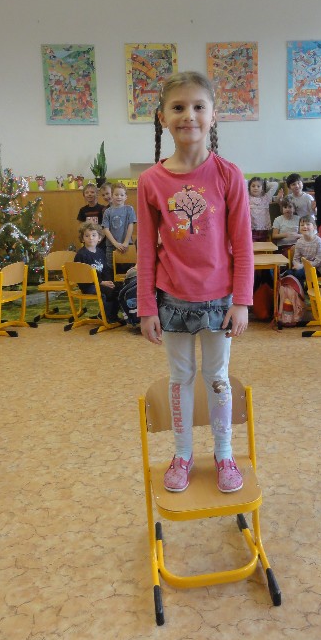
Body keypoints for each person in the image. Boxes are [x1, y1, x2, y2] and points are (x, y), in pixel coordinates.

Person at [137, 71, 253, 495]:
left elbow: (243, 244)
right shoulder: (151, 181)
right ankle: (183, 453)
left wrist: (242, 301)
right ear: (163, 117)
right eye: (178, 107)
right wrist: (147, 307)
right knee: (181, 376)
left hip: (220, 299)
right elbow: (146, 250)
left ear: (213, 116)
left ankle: (224, 453)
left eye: (198, 106)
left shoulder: (229, 174)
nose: (189, 115)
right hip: (172, 299)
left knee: (217, 375)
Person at [74, 222, 120, 322]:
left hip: (101, 283)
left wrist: (109, 281)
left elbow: (106, 269)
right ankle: (106, 317)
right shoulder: (81, 255)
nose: (91, 238)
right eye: (87, 236)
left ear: (99, 238)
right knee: (109, 292)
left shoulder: (100, 252)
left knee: (118, 288)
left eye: (94, 235)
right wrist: (101, 282)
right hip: (88, 285)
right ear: (82, 238)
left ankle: (111, 315)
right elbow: (83, 276)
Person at [102, 182, 136, 270]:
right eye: (116, 194)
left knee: (128, 268)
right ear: (112, 196)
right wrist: (115, 243)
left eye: (122, 195)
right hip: (111, 246)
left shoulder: (129, 209)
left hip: (127, 245)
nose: (119, 197)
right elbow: (106, 229)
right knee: (112, 269)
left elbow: (130, 225)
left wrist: (126, 242)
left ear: (126, 197)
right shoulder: (107, 212)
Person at [287, 214, 321, 283]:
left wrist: (302, 266)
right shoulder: (299, 241)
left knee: (298, 274)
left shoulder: (319, 242)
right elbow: (296, 258)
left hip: (315, 270)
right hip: (301, 268)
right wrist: (297, 265)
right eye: (302, 225)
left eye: (308, 224)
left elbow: (318, 262)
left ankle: (302, 289)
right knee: (288, 273)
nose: (305, 226)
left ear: (314, 227)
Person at [248, 177, 280, 241]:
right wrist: (249, 183)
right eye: (253, 186)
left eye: (258, 186)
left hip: (263, 230)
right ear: (249, 188)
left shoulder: (266, 197)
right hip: (251, 229)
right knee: (252, 246)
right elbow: (242, 183)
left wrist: (264, 184)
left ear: (262, 188)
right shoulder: (247, 197)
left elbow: (275, 184)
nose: (255, 188)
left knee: (263, 246)